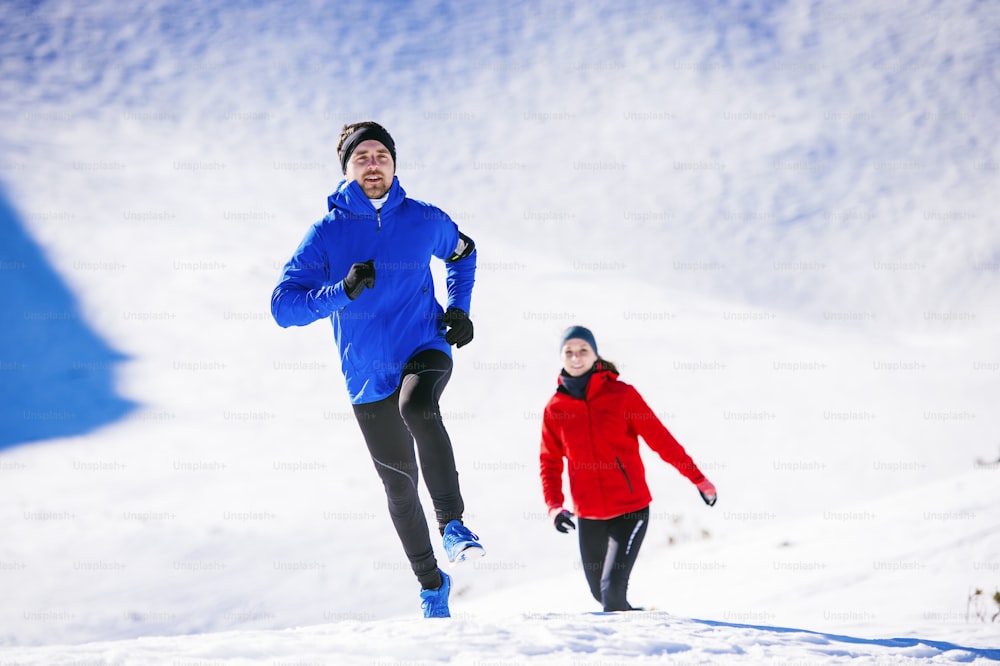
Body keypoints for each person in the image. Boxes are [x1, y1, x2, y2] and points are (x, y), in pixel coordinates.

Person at [271, 121, 484, 619]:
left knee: (419, 404)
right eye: (361, 156)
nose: (373, 163)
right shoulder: (326, 234)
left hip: (424, 344)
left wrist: (459, 307)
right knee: (397, 484)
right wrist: (340, 291)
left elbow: (464, 253)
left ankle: (453, 524)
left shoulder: (423, 218)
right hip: (365, 373)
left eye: (381, 155)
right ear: (347, 170)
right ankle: (432, 585)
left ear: (394, 163)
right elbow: (283, 306)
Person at [539, 325, 717, 612]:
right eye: (568, 351)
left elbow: (662, 440)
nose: (576, 357)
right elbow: (549, 462)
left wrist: (699, 479)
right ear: (561, 357)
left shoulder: (621, 395)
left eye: (583, 350)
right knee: (600, 594)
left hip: (631, 509)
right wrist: (554, 507)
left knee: (611, 595)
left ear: (595, 354)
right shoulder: (555, 409)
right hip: (589, 514)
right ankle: (644, 626)